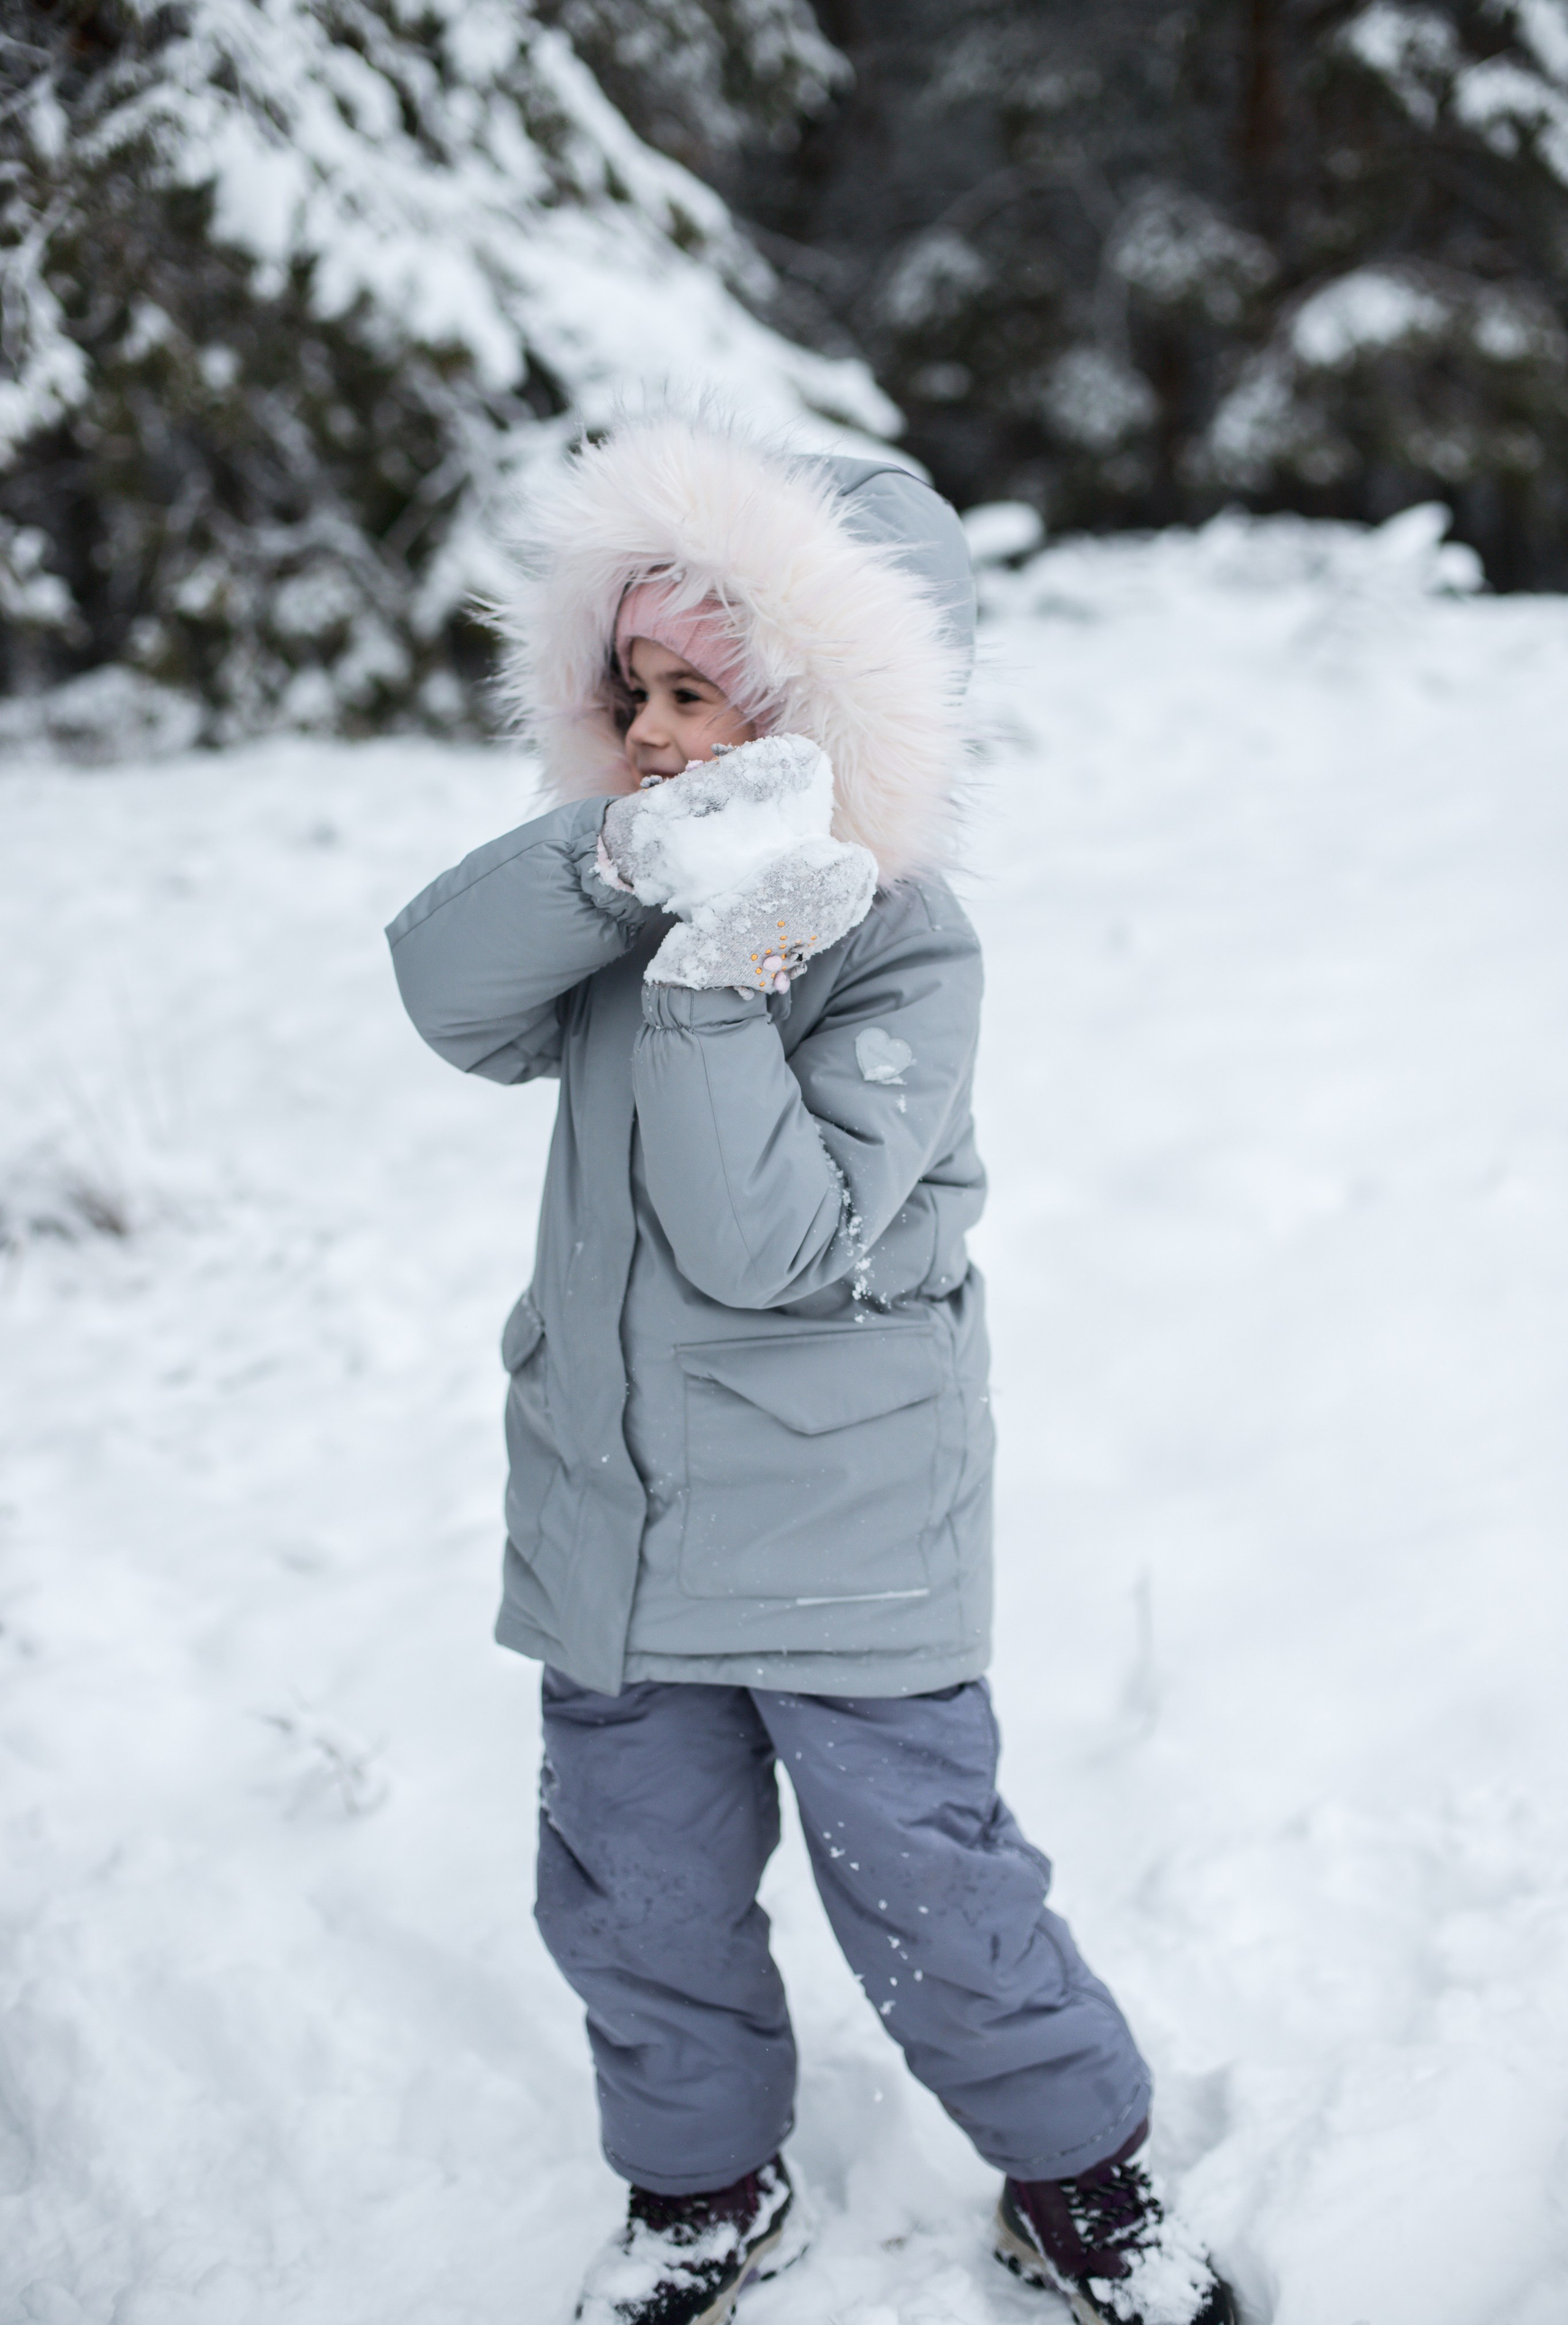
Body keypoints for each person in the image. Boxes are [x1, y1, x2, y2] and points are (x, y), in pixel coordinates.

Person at [386, 413, 1236, 2325]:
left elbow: (772, 1246)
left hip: (846, 1544)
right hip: (621, 1527)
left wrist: (711, 989)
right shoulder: (623, 894)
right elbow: (445, 996)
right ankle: (698, 2191)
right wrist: (618, 865)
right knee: (637, 1897)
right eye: (642, 695)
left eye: (711, 698)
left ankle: (1081, 2177)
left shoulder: (905, 950)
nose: (667, 734)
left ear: (833, 723)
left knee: (933, 1891)